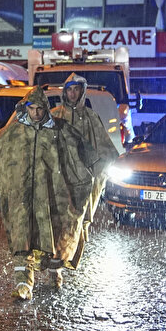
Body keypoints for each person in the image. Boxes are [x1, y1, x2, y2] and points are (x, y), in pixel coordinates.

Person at [0, 86, 94, 299]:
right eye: (32, 108)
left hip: (51, 196)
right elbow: (4, 161)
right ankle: (23, 284)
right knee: (23, 238)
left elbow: (79, 157)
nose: (37, 113)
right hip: (23, 197)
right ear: (25, 108)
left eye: (40, 108)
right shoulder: (13, 133)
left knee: (53, 234)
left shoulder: (59, 131)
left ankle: (54, 270)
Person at [50, 74, 120, 243]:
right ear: (65, 92)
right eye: (69, 90)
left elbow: (104, 146)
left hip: (84, 175)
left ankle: (76, 243)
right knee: (60, 212)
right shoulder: (55, 115)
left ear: (82, 91)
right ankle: (59, 251)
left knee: (81, 211)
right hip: (61, 172)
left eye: (76, 90)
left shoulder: (90, 117)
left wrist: (100, 168)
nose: (72, 94)